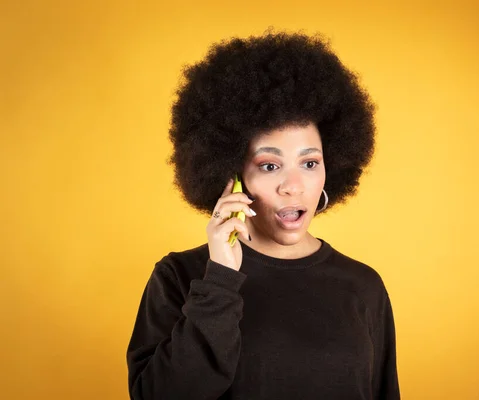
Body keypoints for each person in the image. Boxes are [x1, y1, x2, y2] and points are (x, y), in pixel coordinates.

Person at [126, 29, 401, 400]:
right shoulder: (181, 276)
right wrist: (221, 277)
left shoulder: (363, 287)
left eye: (309, 162)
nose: (293, 185)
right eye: (270, 166)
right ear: (232, 176)